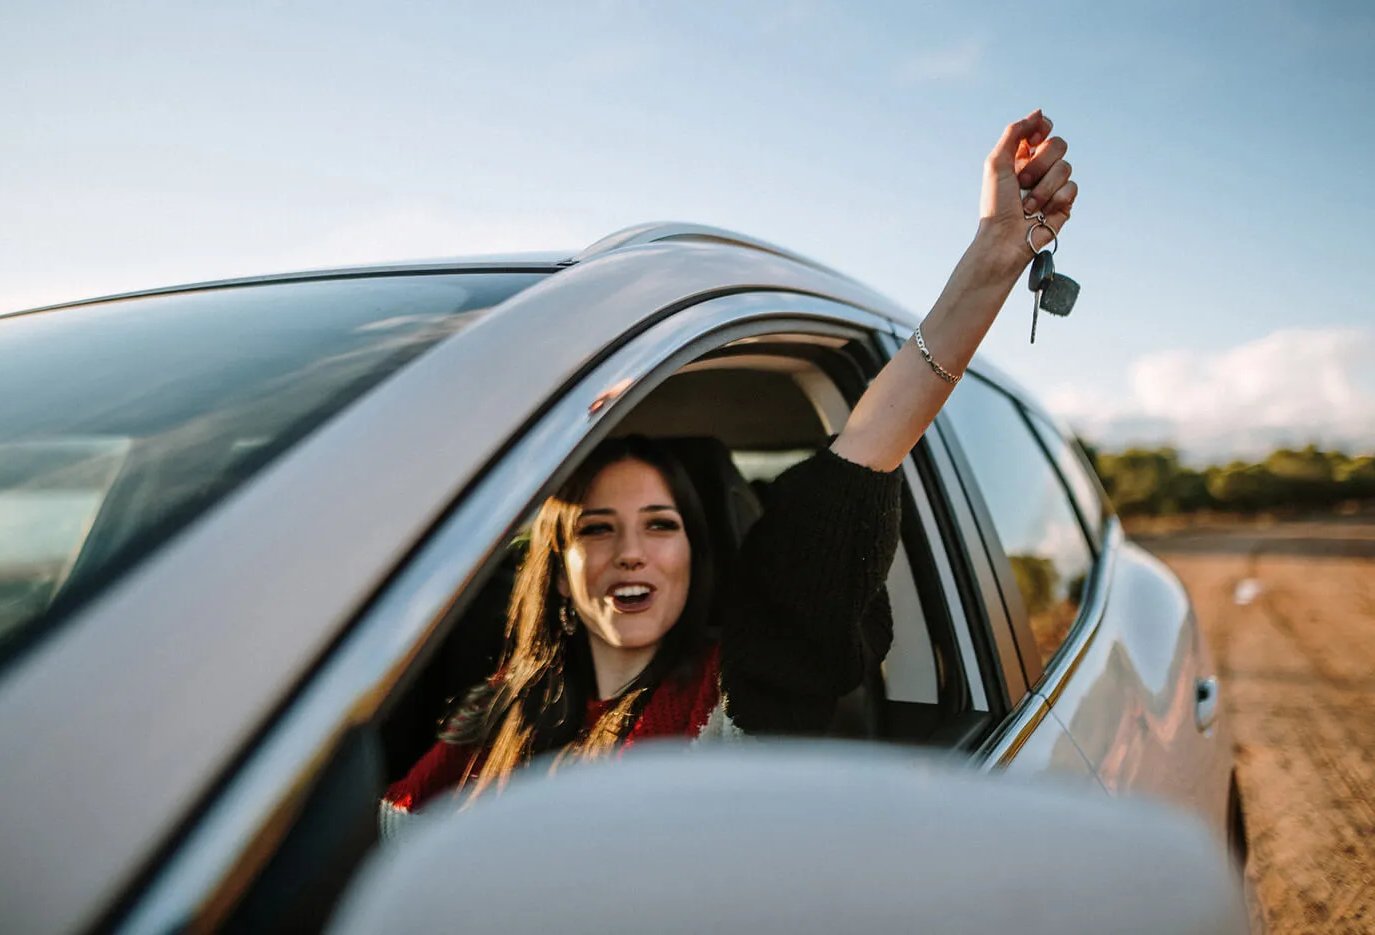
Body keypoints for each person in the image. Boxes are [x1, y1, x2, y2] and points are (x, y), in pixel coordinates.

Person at [382, 110, 1077, 830]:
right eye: (596, 527)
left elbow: (864, 454)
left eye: (661, 523)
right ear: (556, 563)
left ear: (693, 550)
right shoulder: (495, 710)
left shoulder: (744, 685)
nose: (630, 551)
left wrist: (996, 256)